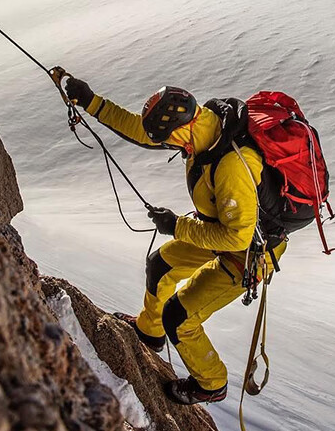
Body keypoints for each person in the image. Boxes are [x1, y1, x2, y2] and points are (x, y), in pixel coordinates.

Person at [65, 79, 287, 406]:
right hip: (217, 229)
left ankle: (211, 384)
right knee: (160, 265)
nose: (166, 145)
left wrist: (176, 226)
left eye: (168, 139)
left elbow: (236, 236)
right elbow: (143, 132)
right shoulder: (201, 127)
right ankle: (149, 332)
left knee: (179, 318)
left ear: (181, 129)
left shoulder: (230, 166)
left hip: (250, 253)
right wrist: (90, 101)